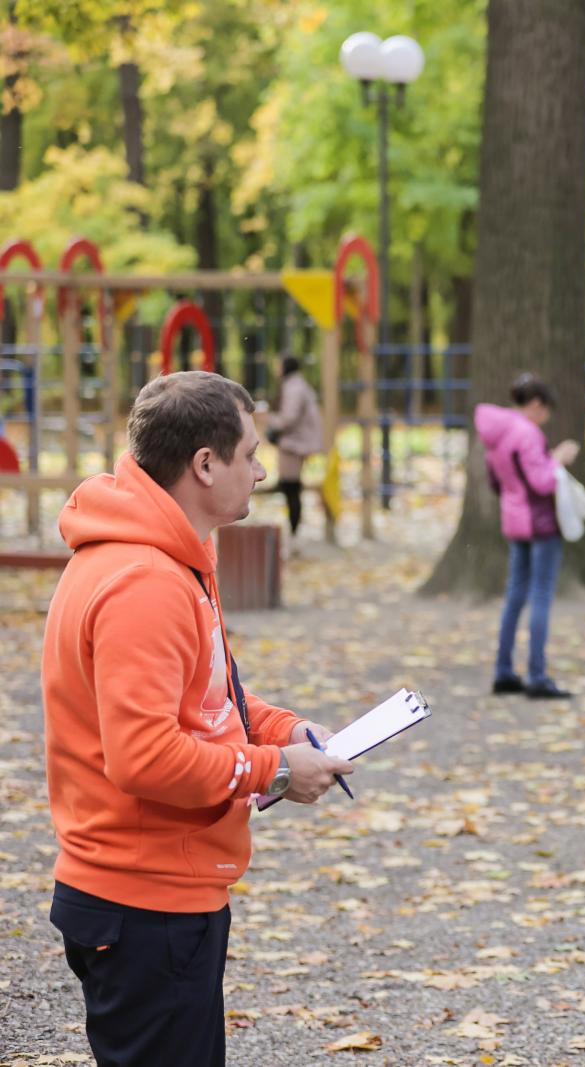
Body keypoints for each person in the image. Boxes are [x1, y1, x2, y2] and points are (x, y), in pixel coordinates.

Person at [41, 370, 354, 1067]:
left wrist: (283, 730)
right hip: (146, 900)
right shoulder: (145, 581)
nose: (263, 467)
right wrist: (275, 767)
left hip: (154, 892)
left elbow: (206, 700)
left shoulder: (165, 560)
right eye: (249, 452)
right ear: (205, 465)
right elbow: (145, 757)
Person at [476, 373, 580, 699]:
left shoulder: (498, 434)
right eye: (546, 410)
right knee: (541, 596)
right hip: (540, 522)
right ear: (536, 404)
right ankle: (537, 675)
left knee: (514, 596)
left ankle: (503, 670)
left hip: (514, 520)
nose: (546, 417)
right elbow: (543, 483)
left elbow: (496, 481)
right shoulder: (527, 434)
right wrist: (558, 459)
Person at [265, 355, 323, 538]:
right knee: (290, 486)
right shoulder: (297, 385)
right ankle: (293, 530)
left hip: (294, 444)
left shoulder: (293, 388)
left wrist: (269, 419)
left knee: (291, 487)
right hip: (296, 442)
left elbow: (289, 418)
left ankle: (294, 532)